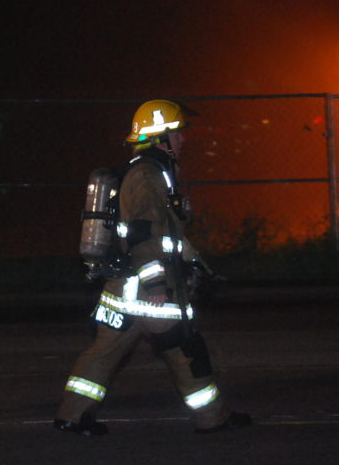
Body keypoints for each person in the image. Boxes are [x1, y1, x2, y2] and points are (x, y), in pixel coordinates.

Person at [55, 99, 252, 436]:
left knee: (105, 351)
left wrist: (198, 264)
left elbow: (167, 233)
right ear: (161, 137)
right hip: (149, 289)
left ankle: (71, 416)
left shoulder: (149, 170)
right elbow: (144, 233)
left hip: (123, 287)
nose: (183, 139)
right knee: (185, 349)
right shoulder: (148, 174)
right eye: (178, 133)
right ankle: (212, 419)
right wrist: (157, 285)